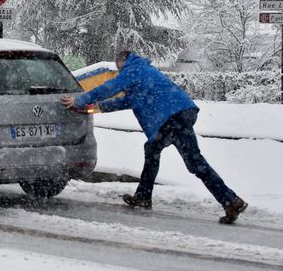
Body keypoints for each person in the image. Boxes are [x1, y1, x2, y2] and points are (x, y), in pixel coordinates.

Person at [61, 50, 248, 224]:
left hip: (171, 118)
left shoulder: (133, 69)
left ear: (123, 61)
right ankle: (143, 196)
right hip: (181, 113)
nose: (119, 72)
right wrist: (90, 109)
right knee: (153, 150)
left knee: (194, 163)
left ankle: (231, 200)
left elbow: (108, 88)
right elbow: (125, 101)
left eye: (119, 68)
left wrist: (79, 100)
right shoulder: (145, 73)